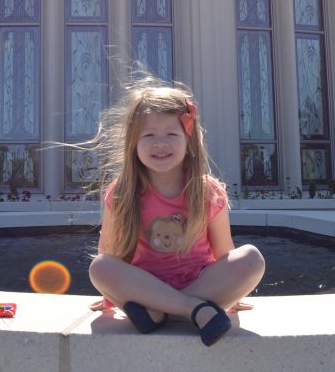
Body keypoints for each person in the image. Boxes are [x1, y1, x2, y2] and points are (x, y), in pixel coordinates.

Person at [88, 81, 265, 347]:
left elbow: (224, 254)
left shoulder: (208, 191)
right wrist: (110, 294)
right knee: (100, 267)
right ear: (133, 143)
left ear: (188, 140)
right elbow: (109, 251)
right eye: (149, 135)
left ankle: (161, 312)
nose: (160, 143)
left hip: (196, 285)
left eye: (171, 134)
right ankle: (193, 310)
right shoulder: (122, 192)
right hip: (147, 288)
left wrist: (234, 291)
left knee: (251, 259)